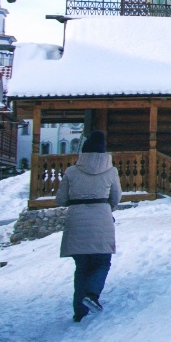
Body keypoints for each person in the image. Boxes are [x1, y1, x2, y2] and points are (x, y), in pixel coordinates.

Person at [55, 129, 122, 321]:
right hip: (102, 220)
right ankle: (92, 294)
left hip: (77, 222)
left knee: (82, 267)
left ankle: (79, 311)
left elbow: (61, 199)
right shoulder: (111, 171)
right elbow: (116, 197)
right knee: (102, 262)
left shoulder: (71, 172)